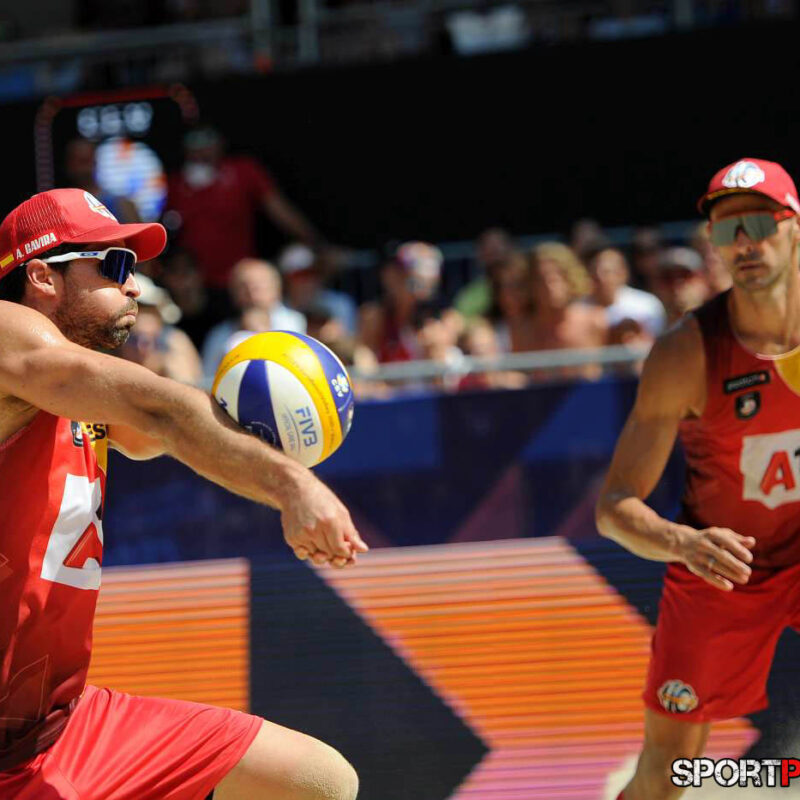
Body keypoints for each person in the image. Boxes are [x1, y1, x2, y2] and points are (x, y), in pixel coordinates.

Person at [0, 188, 366, 799]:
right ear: (42, 275)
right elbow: (162, 412)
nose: (133, 285)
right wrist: (294, 486)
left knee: (319, 781)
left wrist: (257, 416)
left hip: (57, 729)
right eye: (114, 265)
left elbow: (175, 430)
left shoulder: (82, 395)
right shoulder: (8, 335)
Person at [595, 158, 800, 800]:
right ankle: (772, 780)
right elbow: (614, 506)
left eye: (760, 223)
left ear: (794, 227)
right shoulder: (686, 352)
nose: (745, 242)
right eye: (727, 229)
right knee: (668, 775)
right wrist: (684, 543)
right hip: (719, 567)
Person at [166, 126, 327, 296]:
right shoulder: (173, 184)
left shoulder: (243, 171)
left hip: (240, 282)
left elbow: (280, 210)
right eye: (194, 145)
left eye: (207, 143)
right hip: (196, 287)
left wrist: (316, 242)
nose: (201, 152)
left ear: (220, 144)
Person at [201, 258, 306, 383]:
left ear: (277, 288)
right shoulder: (219, 335)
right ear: (233, 293)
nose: (251, 292)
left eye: (259, 285)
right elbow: (207, 380)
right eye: (243, 286)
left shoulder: (300, 323)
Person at [118, 273, 203, 385]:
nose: (141, 348)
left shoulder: (176, 341)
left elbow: (191, 387)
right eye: (132, 339)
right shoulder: (106, 351)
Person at [584, 246, 666, 339]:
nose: (600, 278)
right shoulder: (580, 309)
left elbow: (656, 339)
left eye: (606, 272)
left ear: (622, 274)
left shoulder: (646, 304)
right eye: (594, 273)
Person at [650, 245, 711, 325]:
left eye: (685, 275)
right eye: (667, 277)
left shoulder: (722, 326)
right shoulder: (646, 328)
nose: (677, 283)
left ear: (704, 281)